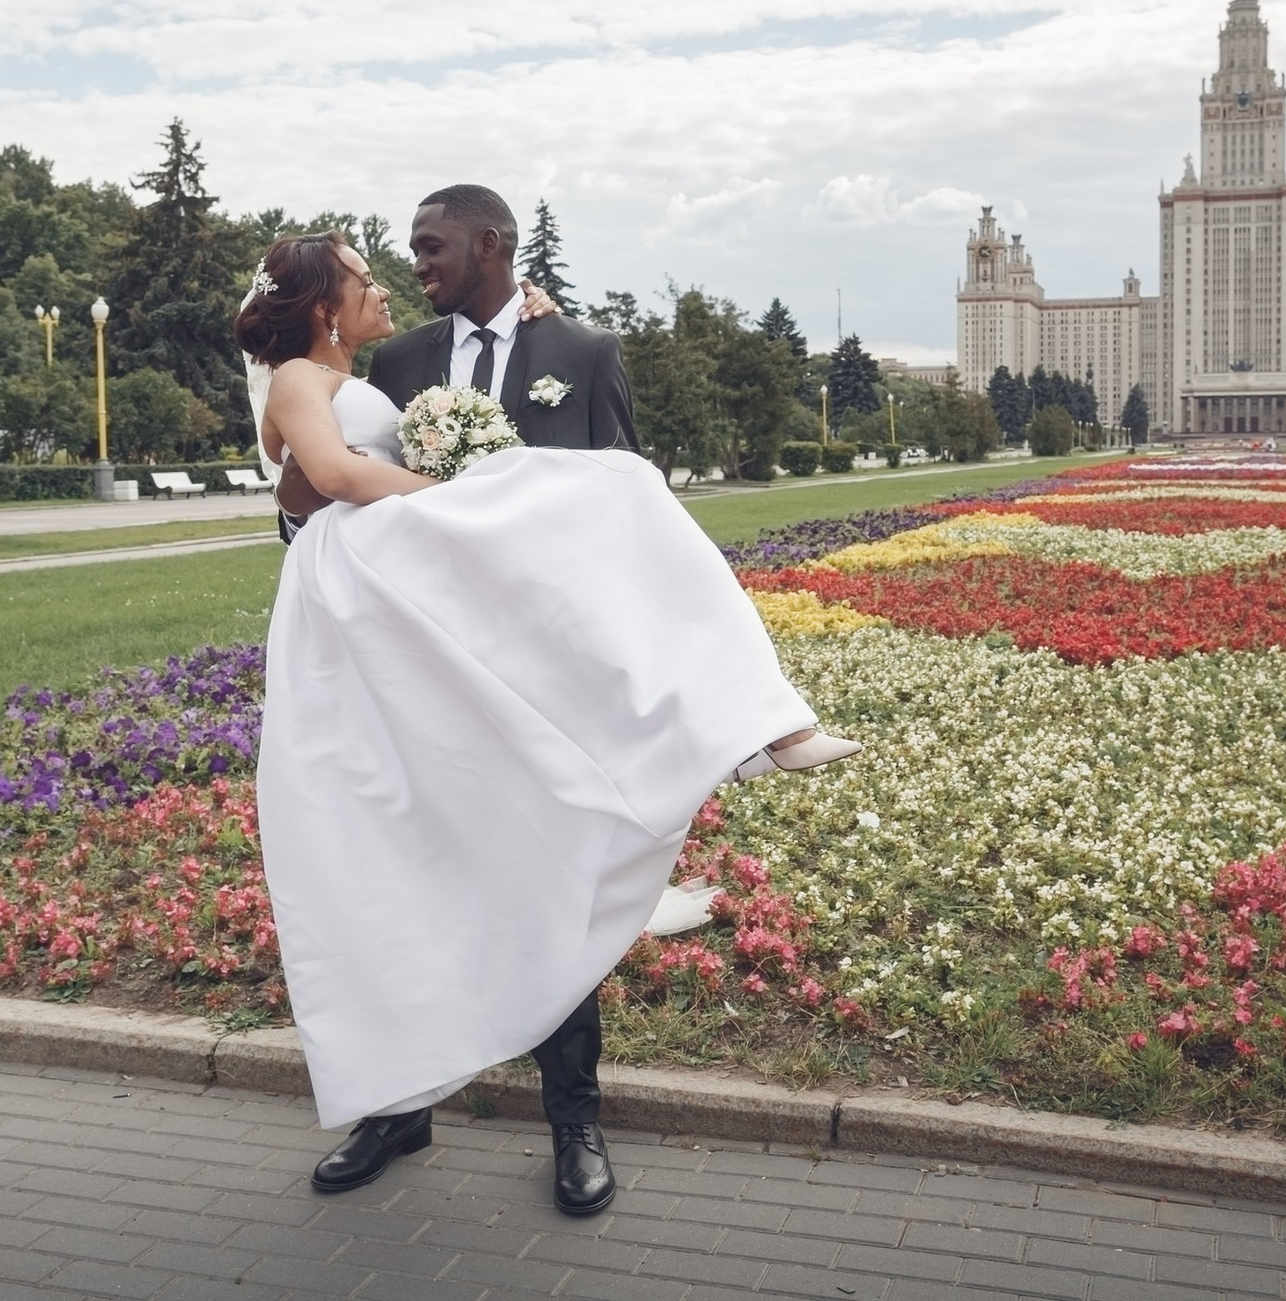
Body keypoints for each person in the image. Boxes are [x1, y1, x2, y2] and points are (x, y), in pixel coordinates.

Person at [242, 193, 857, 1219]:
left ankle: (573, 1117)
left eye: (429, 247)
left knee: (546, 848)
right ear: (328, 306)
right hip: (409, 655)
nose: (409, 267)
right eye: (387, 261)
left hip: (526, 655)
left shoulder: (578, 344)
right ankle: (397, 1103)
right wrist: (323, 498)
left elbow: (606, 523)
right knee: (395, 860)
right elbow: (311, 487)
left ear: (490, 245)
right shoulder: (381, 367)